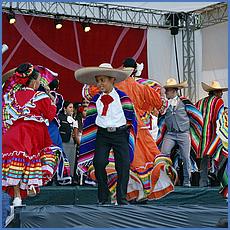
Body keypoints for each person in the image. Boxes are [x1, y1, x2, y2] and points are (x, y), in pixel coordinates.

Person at [81, 59, 178, 202]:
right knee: (134, 164)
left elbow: (88, 93)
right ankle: (136, 194)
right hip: (137, 129)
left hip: (122, 129)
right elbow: (159, 104)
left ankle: (117, 196)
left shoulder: (115, 87)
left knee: (115, 163)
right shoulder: (141, 87)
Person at [75, 63, 137, 205]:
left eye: (102, 80)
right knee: (99, 163)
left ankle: (121, 198)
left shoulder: (123, 98)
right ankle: (103, 197)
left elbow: (130, 118)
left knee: (123, 165)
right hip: (103, 134)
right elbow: (90, 120)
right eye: (98, 81)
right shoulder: (95, 100)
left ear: (112, 80)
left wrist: (126, 131)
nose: (99, 84)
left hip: (120, 134)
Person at [2, 63, 60, 206]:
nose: (40, 83)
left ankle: (17, 197)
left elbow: (6, 116)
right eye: (39, 80)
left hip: (13, 134)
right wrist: (51, 100)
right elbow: (50, 115)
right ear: (34, 81)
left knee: (16, 164)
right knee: (38, 158)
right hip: (33, 134)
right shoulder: (40, 96)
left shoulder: (10, 96)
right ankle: (31, 184)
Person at [157, 78, 203, 186]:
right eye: (166, 90)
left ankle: (187, 181)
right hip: (170, 134)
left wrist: (193, 129)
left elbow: (195, 115)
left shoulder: (185, 102)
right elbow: (160, 117)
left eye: (168, 90)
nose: (166, 92)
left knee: (186, 157)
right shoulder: (164, 103)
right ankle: (166, 180)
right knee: (163, 154)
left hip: (183, 133)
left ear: (174, 91)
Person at [196, 81, 228, 187]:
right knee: (220, 156)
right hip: (214, 135)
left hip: (202, 136)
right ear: (216, 92)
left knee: (204, 159)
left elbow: (196, 118)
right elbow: (219, 119)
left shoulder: (200, 102)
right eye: (220, 92)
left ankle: (203, 183)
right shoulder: (219, 102)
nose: (222, 94)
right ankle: (220, 182)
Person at [58, 101, 78, 177]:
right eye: (70, 107)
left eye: (72, 107)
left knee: (71, 160)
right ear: (64, 108)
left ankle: (71, 176)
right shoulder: (60, 117)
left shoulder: (74, 119)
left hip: (72, 143)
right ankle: (62, 176)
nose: (72, 109)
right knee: (63, 159)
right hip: (63, 141)